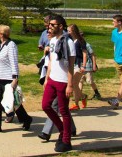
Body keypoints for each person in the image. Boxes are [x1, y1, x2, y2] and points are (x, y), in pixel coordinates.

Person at [0, 25, 32, 133]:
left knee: (13, 102)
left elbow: (13, 62)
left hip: (8, 78)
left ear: (1, 33)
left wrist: (15, 78)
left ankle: (26, 119)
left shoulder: (11, 45)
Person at [41, 15, 75, 153]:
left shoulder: (68, 42)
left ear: (61, 26)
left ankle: (66, 140)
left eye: (53, 25)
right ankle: (62, 129)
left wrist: (70, 85)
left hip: (63, 81)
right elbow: (51, 60)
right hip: (53, 80)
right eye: (49, 25)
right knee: (45, 106)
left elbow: (71, 66)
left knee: (64, 111)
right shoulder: (53, 40)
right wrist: (47, 77)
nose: (49, 27)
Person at [67, 24, 88, 111]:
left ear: (74, 31)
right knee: (74, 84)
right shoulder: (69, 40)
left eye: (69, 31)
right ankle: (82, 96)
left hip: (79, 64)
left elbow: (84, 53)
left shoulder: (80, 40)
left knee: (74, 83)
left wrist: (83, 65)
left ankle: (76, 103)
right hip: (72, 64)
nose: (68, 32)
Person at [80, 32, 102, 101]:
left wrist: (94, 65)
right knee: (80, 81)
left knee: (90, 81)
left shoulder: (87, 45)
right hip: (80, 66)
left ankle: (96, 93)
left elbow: (93, 55)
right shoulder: (77, 45)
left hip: (88, 66)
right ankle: (79, 95)